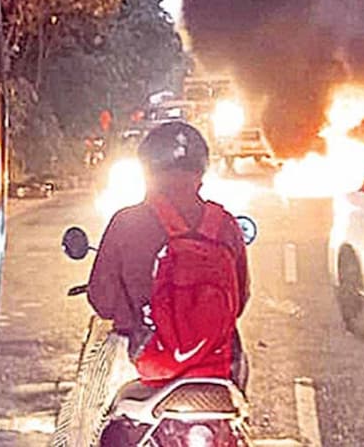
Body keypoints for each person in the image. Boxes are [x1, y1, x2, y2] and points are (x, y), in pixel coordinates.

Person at [64, 122, 250, 446]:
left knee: (86, 412)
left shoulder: (128, 221)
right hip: (219, 367)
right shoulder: (226, 225)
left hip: (149, 363)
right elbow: (241, 299)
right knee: (238, 418)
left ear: (147, 169)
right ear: (201, 170)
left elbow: (102, 300)